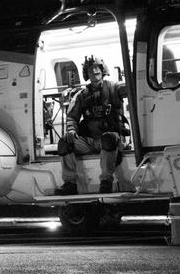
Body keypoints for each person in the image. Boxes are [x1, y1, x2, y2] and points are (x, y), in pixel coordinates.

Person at [55, 56, 129, 195]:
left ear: (103, 70)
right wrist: (71, 130)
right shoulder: (81, 95)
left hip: (111, 138)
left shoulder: (114, 88)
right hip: (89, 141)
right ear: (86, 74)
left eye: (97, 67)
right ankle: (70, 184)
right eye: (90, 69)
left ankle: (106, 182)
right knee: (65, 142)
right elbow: (72, 117)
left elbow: (130, 87)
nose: (94, 71)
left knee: (108, 139)